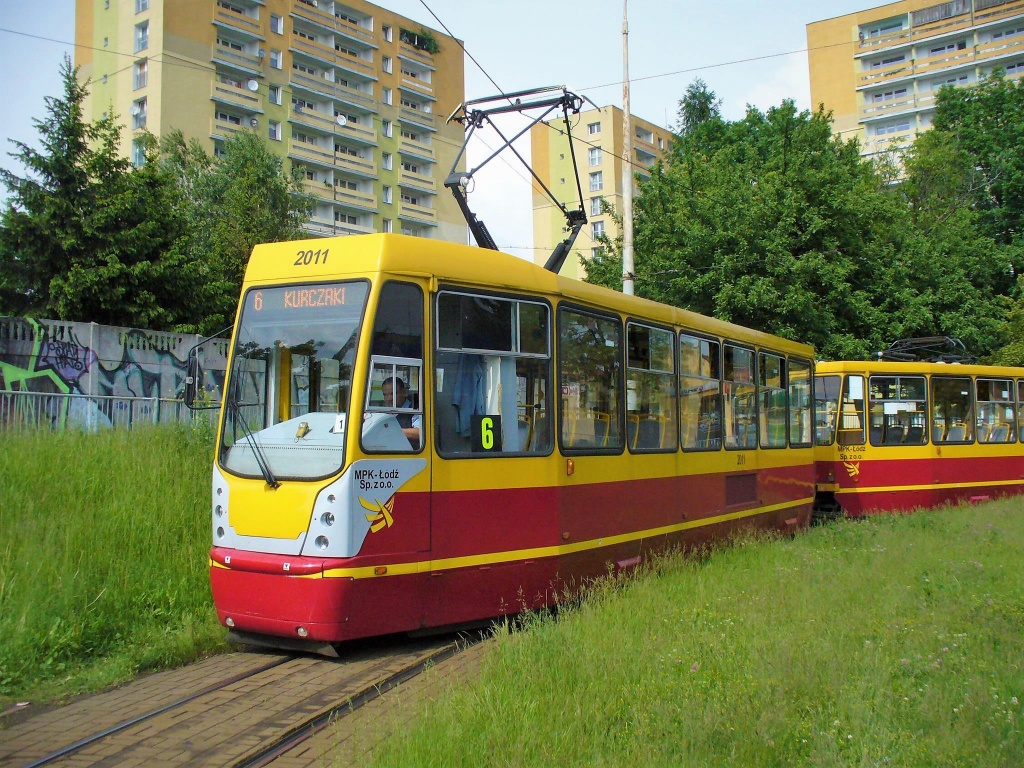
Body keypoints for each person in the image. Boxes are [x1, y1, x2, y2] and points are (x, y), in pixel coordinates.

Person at [382, 376, 421, 448]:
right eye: (385, 395)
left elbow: (420, 433)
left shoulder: (415, 409)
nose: (389, 398)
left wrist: (394, 431)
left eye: (393, 394)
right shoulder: (382, 411)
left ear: (403, 392)